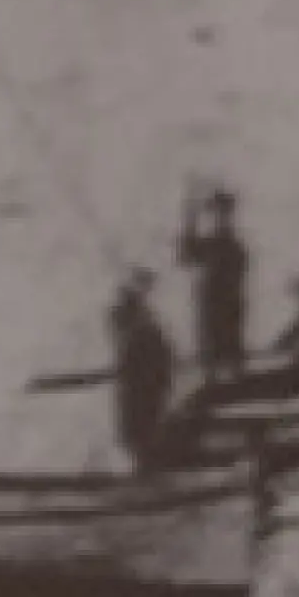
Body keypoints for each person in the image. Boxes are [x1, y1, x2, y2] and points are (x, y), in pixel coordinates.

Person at [176, 185, 250, 381]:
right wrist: (190, 218)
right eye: (216, 212)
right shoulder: (215, 244)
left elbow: (189, 255)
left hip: (226, 306)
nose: (220, 218)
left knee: (229, 351)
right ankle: (216, 380)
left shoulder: (233, 246)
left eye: (223, 212)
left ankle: (233, 380)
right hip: (212, 306)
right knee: (211, 354)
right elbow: (186, 256)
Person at [108, 269, 178, 471]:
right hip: (139, 382)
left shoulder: (146, 325)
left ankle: (146, 464)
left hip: (144, 382)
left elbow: (163, 356)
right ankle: (145, 464)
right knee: (139, 426)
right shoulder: (136, 322)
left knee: (143, 424)